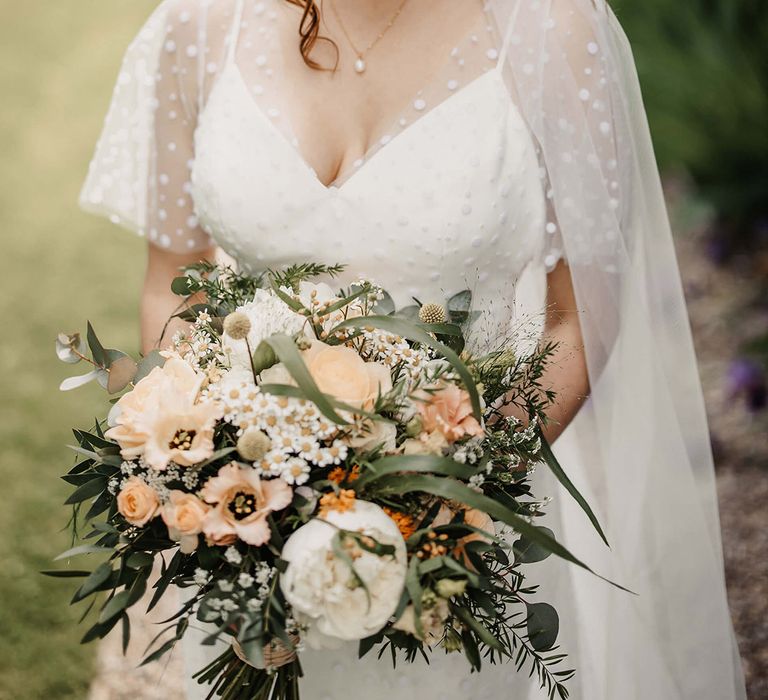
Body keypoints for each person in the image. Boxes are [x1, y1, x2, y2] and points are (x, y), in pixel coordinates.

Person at [79, 1, 747, 698]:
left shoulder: (553, 27)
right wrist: (196, 458)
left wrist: (457, 492)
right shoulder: (202, 22)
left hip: (455, 547)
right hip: (247, 536)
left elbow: (581, 317)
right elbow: (172, 285)